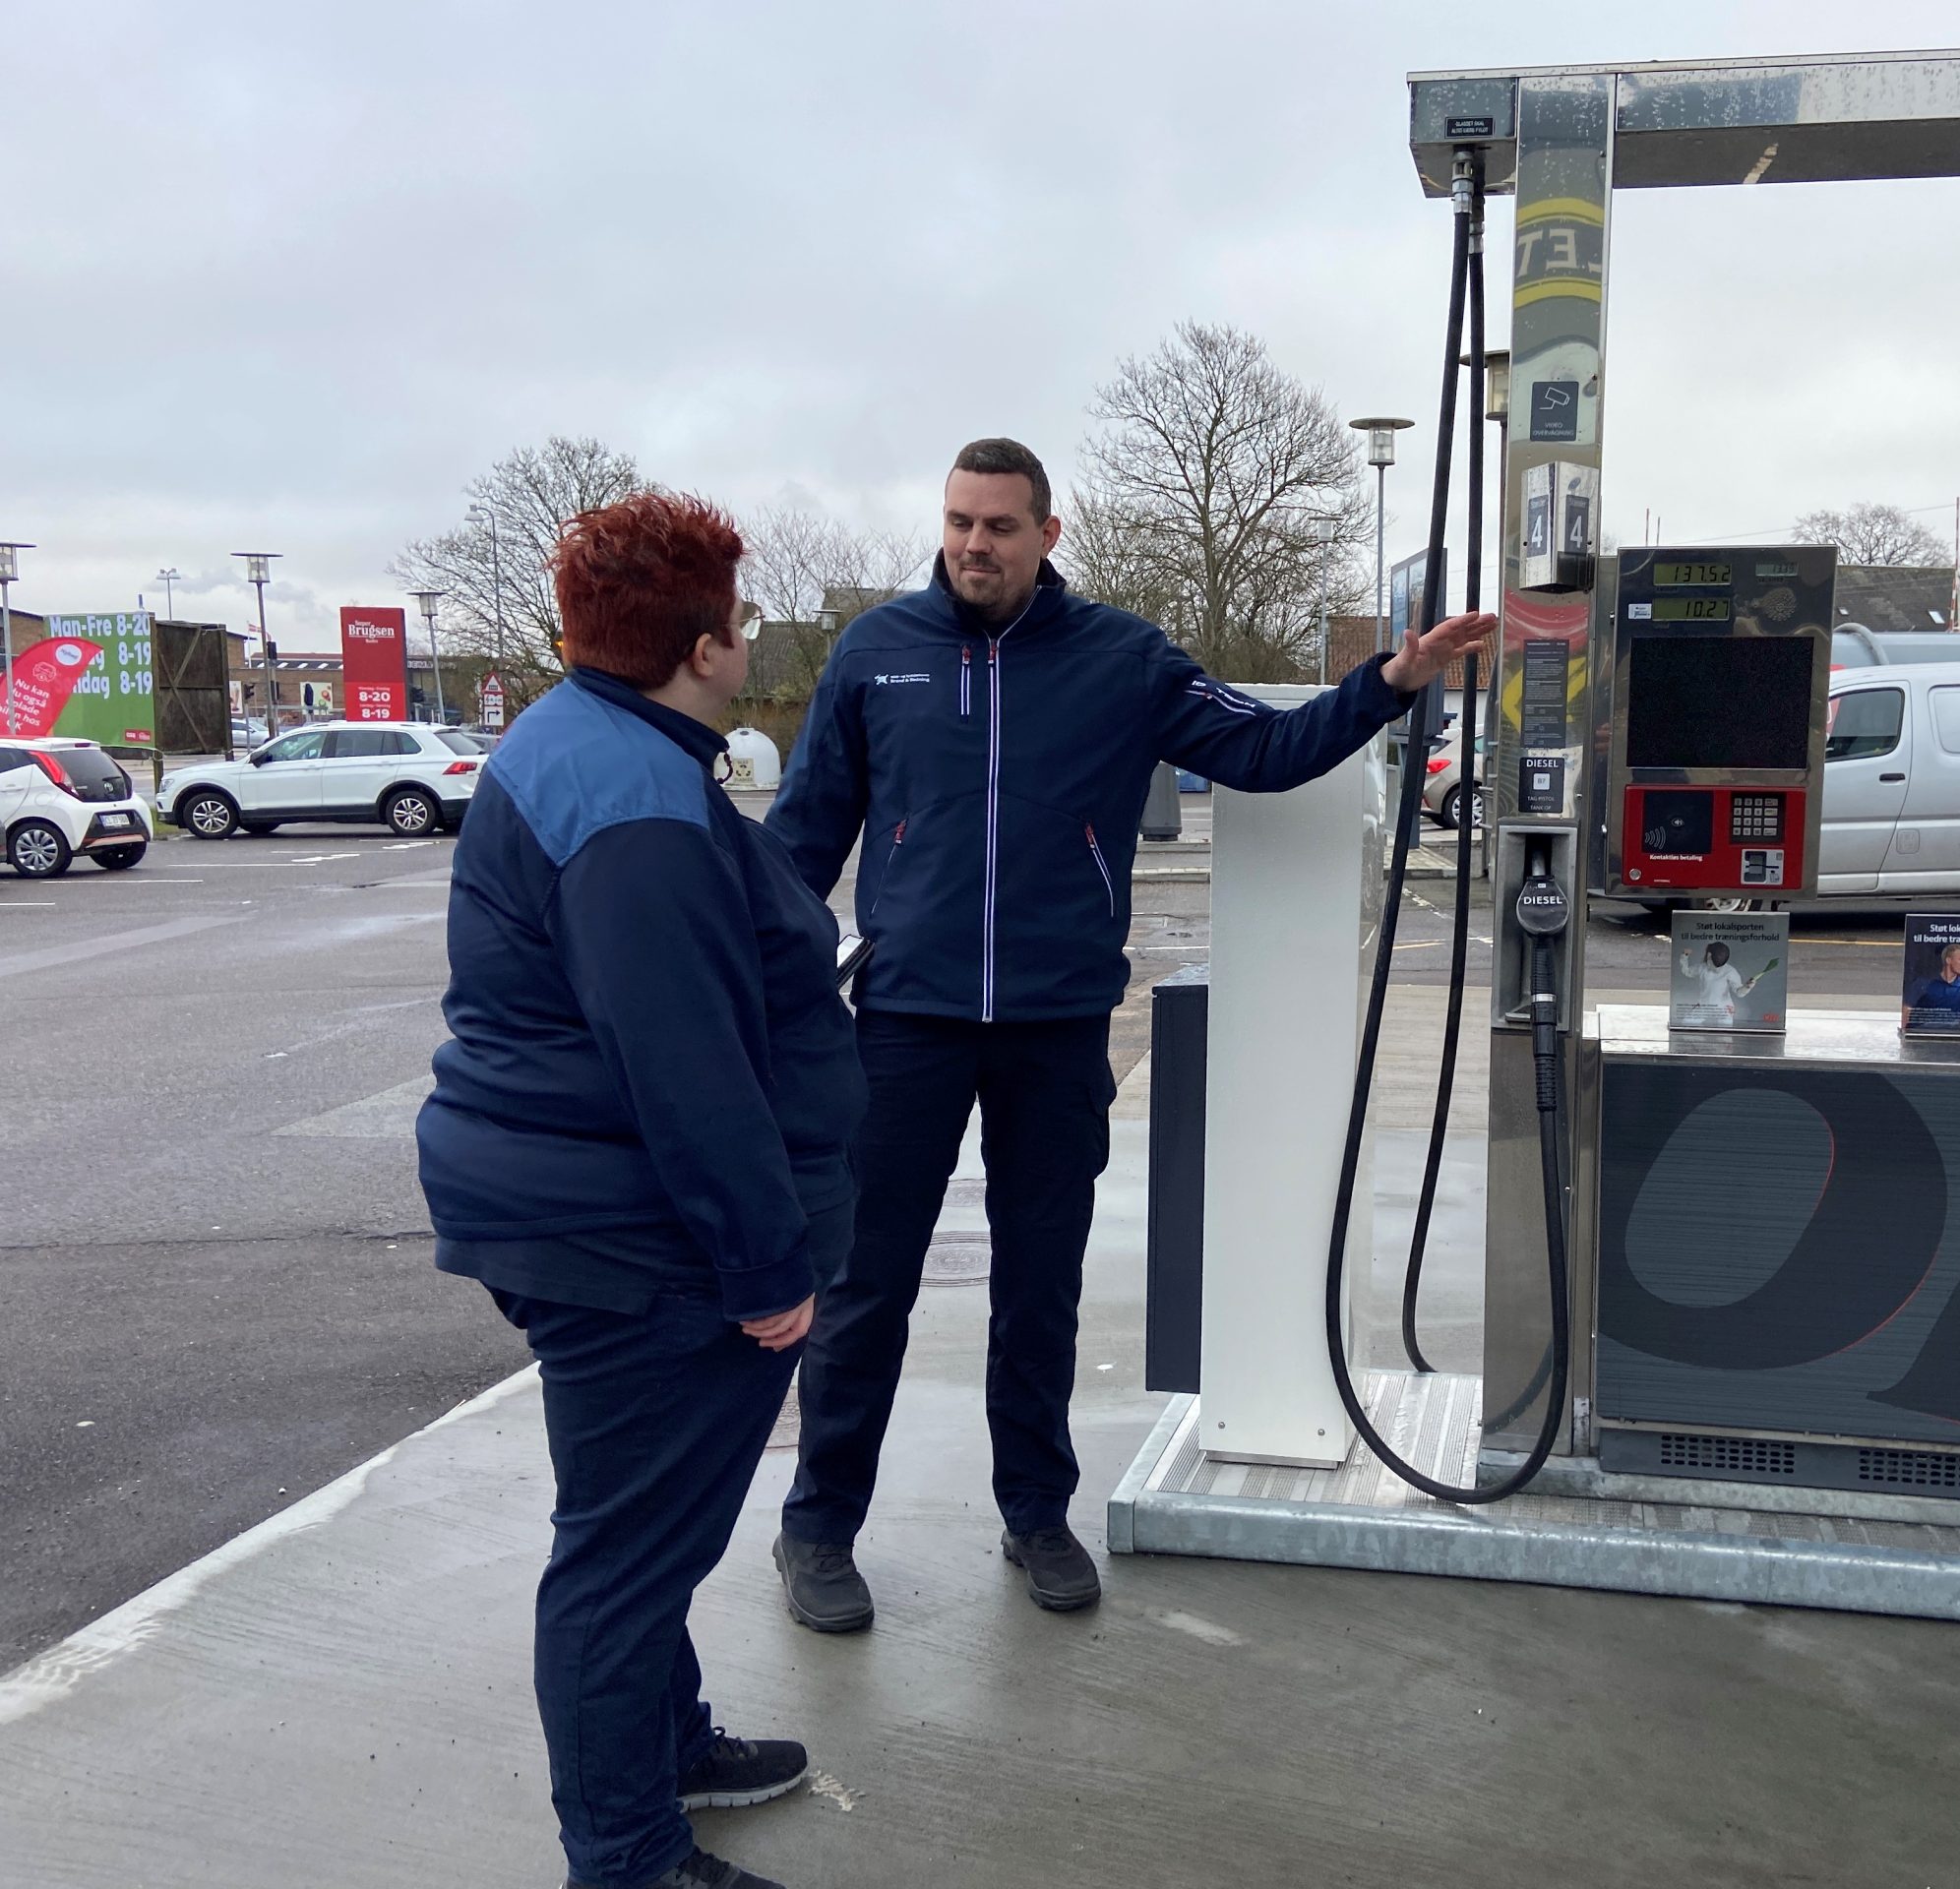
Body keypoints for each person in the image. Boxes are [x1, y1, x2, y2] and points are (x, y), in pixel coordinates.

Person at [766, 437, 1492, 1625]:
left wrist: (1388, 683)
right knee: (864, 1286)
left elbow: (1261, 750)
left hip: (1054, 1026)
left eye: (998, 526)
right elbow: (799, 839)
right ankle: (818, 1529)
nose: (972, 545)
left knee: (1039, 1284)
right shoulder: (874, 654)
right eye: (957, 522)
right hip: (903, 1023)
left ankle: (1036, 1514)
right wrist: (765, 988)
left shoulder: (1120, 659)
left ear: (1048, 535)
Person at [418, 493, 866, 1889]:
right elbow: (687, 1069)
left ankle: (663, 1746)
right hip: (636, 1242)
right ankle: (626, 1856)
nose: (749, 634)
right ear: (703, 644)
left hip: (582, 1214)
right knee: (620, 1559)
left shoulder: (602, 744)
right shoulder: (631, 807)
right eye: (739, 615)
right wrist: (768, 1269)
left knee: (638, 1526)